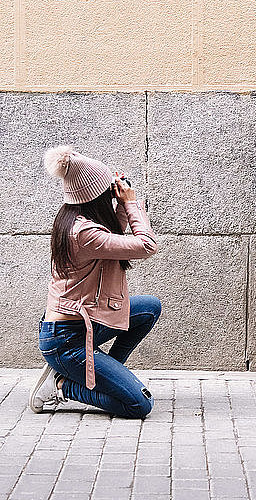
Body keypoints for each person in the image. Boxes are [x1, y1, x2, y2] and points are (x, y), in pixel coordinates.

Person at [29, 145, 161, 417]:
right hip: (66, 340)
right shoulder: (83, 232)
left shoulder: (75, 218)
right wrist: (130, 203)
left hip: (82, 325)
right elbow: (147, 245)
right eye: (107, 187)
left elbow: (113, 235)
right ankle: (63, 384)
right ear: (96, 196)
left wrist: (123, 206)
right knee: (139, 404)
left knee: (149, 307)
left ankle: (103, 376)